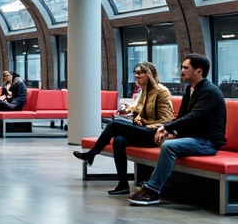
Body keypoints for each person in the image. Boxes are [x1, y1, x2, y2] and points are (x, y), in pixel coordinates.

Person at [128, 53, 226, 205]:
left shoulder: (210, 91)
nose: (182, 71)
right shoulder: (190, 89)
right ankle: (158, 183)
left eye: (186, 68)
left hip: (207, 142)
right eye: (182, 67)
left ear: (198, 71)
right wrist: (170, 132)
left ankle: (152, 191)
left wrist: (165, 126)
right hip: (192, 137)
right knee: (162, 140)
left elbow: (194, 116)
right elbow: (182, 116)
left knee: (168, 146)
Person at [72, 60, 174, 194]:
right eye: (135, 73)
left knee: (114, 125)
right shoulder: (145, 90)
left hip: (154, 133)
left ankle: (92, 153)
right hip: (142, 129)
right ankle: (123, 184)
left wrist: (147, 125)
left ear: (149, 74)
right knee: (119, 140)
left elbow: (166, 119)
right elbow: (138, 108)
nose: (137, 76)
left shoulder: (162, 91)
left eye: (140, 73)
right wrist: (127, 108)